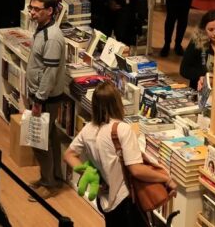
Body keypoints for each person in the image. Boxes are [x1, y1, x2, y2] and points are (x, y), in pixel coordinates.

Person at [64, 81, 175, 225]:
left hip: (104, 199)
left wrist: (89, 173)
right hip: (125, 200)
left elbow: (69, 155)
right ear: (117, 102)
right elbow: (136, 170)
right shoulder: (122, 129)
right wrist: (166, 178)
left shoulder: (88, 129)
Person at [25, 0, 67, 200]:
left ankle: (49, 184)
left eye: (36, 9)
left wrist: (39, 100)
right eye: (31, 7)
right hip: (40, 96)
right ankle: (50, 177)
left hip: (45, 99)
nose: (32, 12)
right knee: (48, 138)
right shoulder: (42, 29)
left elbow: (50, 73)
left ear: (49, 11)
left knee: (39, 141)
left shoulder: (52, 38)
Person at [180, 11, 215, 89]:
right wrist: (204, 75)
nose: (214, 33)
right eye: (210, 30)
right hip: (200, 90)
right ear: (204, 29)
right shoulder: (197, 42)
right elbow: (184, 70)